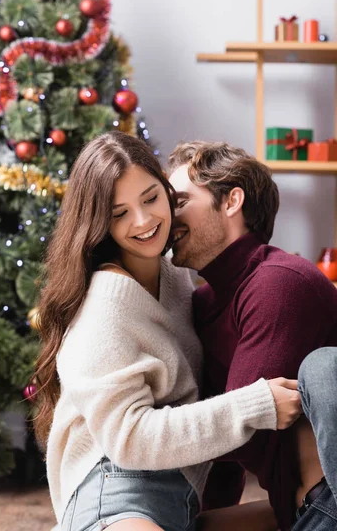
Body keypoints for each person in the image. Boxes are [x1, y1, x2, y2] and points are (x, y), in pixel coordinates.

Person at [33, 132, 301, 531]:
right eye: (118, 212)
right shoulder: (103, 307)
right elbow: (129, 438)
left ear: (165, 188)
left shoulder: (173, 274)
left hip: (178, 497)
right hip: (117, 491)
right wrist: (255, 406)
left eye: (150, 198)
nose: (143, 221)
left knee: (304, 515)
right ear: (98, 223)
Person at [168, 140, 337, 531]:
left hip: (326, 503)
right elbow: (223, 432)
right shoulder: (207, 301)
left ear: (231, 202)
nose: (165, 216)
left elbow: (238, 428)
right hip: (291, 507)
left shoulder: (277, 282)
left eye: (179, 202)